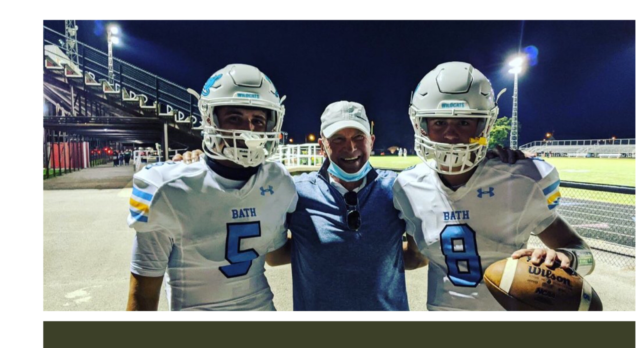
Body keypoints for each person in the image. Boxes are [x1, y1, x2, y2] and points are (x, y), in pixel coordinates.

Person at [393, 61, 596, 311]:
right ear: (421, 126)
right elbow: (416, 256)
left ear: (484, 125)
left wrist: (567, 258)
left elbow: (585, 255)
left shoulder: (524, 181)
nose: (450, 134)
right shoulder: (407, 187)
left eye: (464, 123)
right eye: (439, 123)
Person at [126, 63, 298, 311]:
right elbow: (142, 293)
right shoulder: (167, 187)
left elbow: (274, 254)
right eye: (234, 118)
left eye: (258, 120)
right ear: (209, 118)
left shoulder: (278, 180)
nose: (247, 130)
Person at [266, 101, 427, 310]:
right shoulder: (296, 192)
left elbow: (417, 257)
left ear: (371, 141)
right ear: (322, 146)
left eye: (358, 137)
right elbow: (274, 257)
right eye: (338, 139)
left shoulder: (398, 189)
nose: (350, 147)